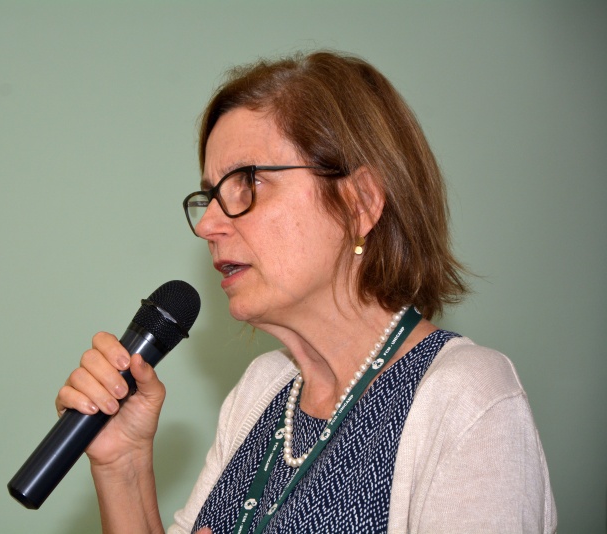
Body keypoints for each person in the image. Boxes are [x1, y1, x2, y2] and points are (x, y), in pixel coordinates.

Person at [55, 51, 556, 533]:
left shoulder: (467, 397)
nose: (208, 224)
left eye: (246, 182)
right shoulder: (264, 388)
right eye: (209, 197)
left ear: (358, 202)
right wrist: (123, 464)